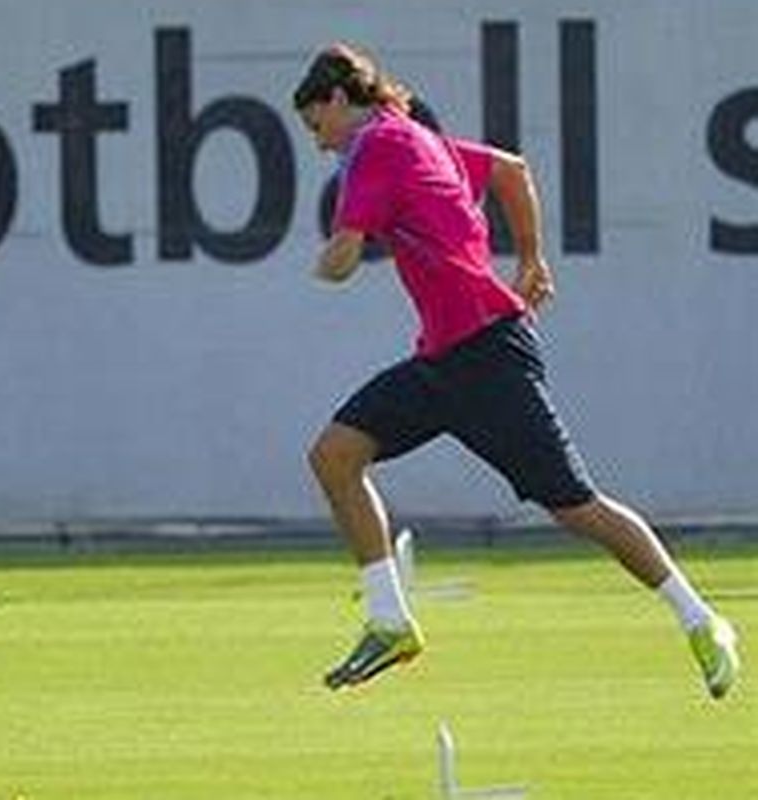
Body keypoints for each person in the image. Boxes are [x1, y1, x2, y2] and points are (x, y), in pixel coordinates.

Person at [292, 43, 741, 698]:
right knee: (335, 456)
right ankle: (389, 619)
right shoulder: (417, 138)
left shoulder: (378, 146)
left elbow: (343, 253)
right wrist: (532, 259)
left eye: (315, 125)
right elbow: (511, 169)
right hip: (444, 359)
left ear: (337, 99)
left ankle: (702, 620)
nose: (318, 143)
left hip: (488, 359)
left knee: (579, 509)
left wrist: (329, 262)